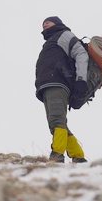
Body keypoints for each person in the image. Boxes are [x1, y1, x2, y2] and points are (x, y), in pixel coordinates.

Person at [35, 16, 88, 163]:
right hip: (48, 86)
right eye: (43, 23)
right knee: (57, 123)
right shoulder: (50, 42)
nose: (45, 24)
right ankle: (78, 156)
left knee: (57, 121)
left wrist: (81, 80)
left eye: (48, 21)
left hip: (57, 84)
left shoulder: (64, 35)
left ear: (58, 24)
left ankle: (57, 155)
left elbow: (81, 53)